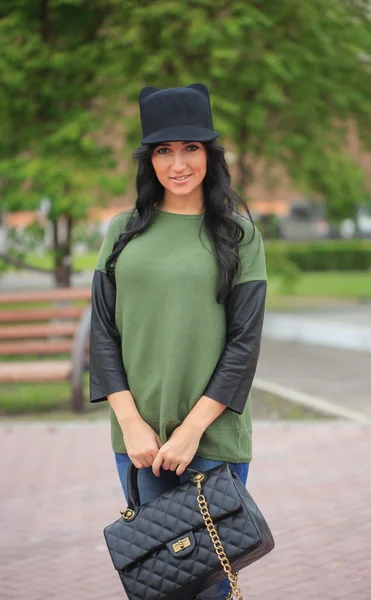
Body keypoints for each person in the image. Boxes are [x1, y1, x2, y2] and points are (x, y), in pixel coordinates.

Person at [89, 83, 267, 600]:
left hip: (211, 441)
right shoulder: (122, 231)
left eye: (192, 147)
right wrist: (131, 423)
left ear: (210, 154)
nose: (179, 163)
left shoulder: (238, 236)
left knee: (210, 587)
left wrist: (190, 431)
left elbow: (243, 344)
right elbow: (103, 332)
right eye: (164, 150)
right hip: (139, 444)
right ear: (150, 160)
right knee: (158, 585)